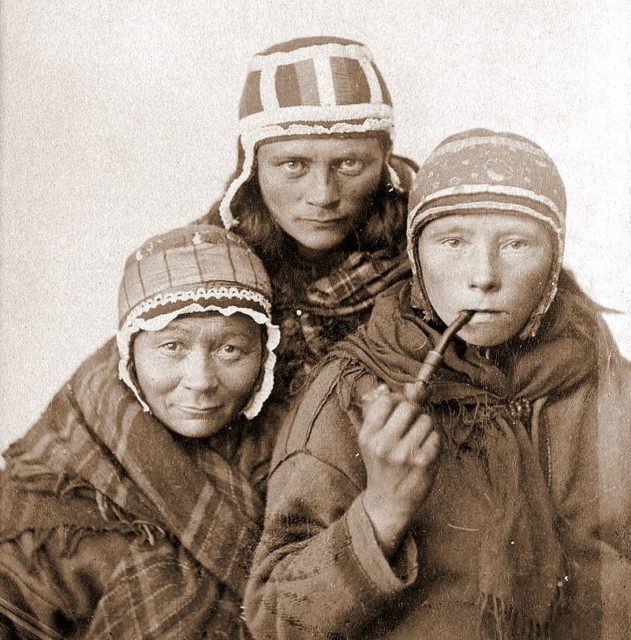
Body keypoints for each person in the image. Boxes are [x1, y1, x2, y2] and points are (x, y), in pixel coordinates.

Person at [243, 129, 631, 639]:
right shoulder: (350, 391)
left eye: (517, 243)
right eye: (453, 241)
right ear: (417, 255)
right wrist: (381, 510)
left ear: (555, 259)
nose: (483, 276)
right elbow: (274, 621)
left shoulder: (612, 389)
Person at [0, 225, 280, 639]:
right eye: (173, 347)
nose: (201, 380)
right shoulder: (52, 493)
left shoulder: (294, 450)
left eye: (229, 349)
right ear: (129, 354)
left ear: (264, 353)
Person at [200, 36, 416, 397]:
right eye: (293, 165)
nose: (323, 196)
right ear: (252, 167)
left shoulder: (437, 254)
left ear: (384, 160)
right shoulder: (202, 266)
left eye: (349, 164)